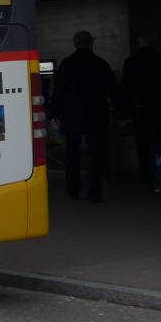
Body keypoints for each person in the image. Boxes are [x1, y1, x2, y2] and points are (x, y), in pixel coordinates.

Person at [49, 30, 127, 203]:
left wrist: (54, 114)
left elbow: (58, 91)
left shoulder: (66, 64)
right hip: (96, 116)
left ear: (75, 44)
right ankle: (94, 192)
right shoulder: (100, 64)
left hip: (72, 116)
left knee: (72, 154)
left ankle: (73, 190)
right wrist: (122, 113)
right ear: (90, 43)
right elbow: (114, 91)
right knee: (96, 155)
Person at [122, 29, 161, 189]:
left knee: (142, 145)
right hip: (160, 108)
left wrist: (124, 112)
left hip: (139, 109)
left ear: (139, 41)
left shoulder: (131, 62)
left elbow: (126, 88)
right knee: (160, 142)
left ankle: (147, 177)